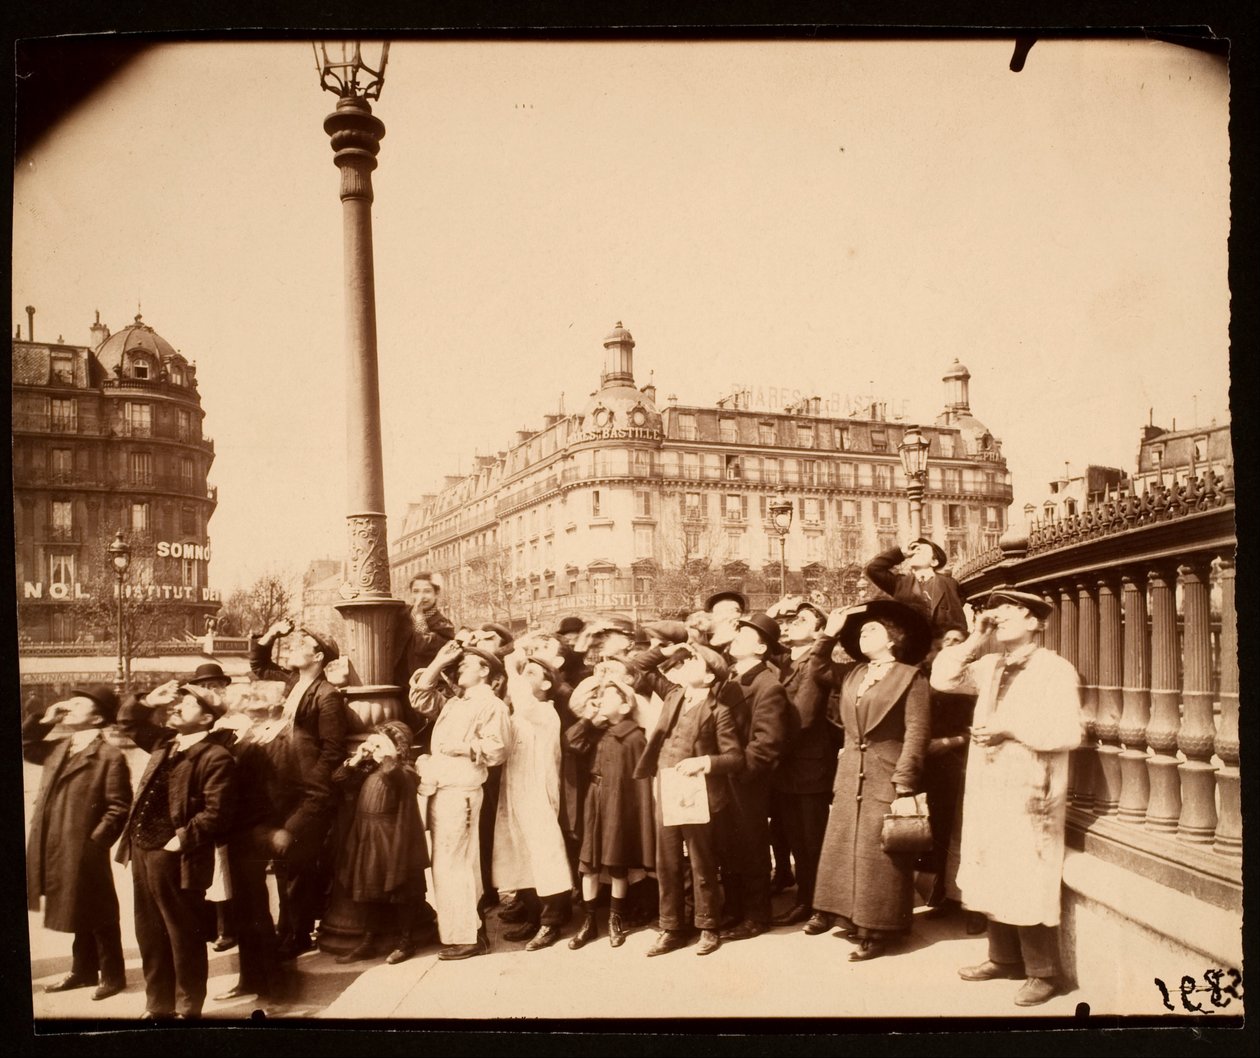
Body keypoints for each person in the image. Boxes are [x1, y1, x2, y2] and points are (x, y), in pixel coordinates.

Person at [931, 587, 1083, 1007]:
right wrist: (975, 637)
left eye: (1011, 611)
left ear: (1036, 622)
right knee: (989, 864)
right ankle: (1002, 957)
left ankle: (1043, 972)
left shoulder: (1055, 670)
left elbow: (1070, 733)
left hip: (1031, 788)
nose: (999, 616)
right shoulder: (991, 664)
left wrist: (1011, 731)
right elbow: (942, 677)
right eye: (994, 611)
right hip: (990, 784)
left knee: (1026, 873)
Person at [812, 600, 932, 961]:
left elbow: (917, 732)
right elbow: (817, 670)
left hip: (887, 773)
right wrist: (828, 635)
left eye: (873, 630)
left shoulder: (911, 676)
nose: (864, 633)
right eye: (862, 630)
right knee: (849, 848)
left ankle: (880, 928)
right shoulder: (854, 674)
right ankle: (853, 917)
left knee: (881, 854)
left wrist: (905, 783)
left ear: (894, 639)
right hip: (850, 773)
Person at [116, 683, 235, 1019]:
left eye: (189, 703)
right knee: (149, 932)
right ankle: (158, 1006)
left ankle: (187, 1008)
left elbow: (217, 812)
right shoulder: (166, 742)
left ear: (207, 718)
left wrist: (179, 840)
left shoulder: (215, 756)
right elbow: (128, 724)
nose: (179, 706)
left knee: (183, 934)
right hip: (142, 850)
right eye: (180, 700)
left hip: (177, 856)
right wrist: (148, 701)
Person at [634, 643, 744, 957]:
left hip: (699, 793)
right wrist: (664, 649)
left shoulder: (718, 711)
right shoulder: (673, 694)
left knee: (702, 861)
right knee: (666, 861)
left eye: (695, 660)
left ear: (710, 677)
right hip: (666, 788)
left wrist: (704, 762)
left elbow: (735, 757)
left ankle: (708, 926)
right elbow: (641, 666)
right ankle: (672, 928)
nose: (687, 662)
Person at [249, 618, 349, 959]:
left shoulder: (327, 695)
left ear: (318, 656)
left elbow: (333, 751)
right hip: (281, 787)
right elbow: (260, 666)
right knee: (284, 862)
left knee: (298, 864)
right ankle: (288, 929)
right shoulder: (292, 682)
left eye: (299, 644)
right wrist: (270, 634)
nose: (292, 647)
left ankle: (297, 933)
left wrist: (312, 790)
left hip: (308, 794)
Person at [25, 687, 132, 1002]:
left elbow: (120, 806)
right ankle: (83, 971)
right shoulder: (62, 746)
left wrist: (95, 842)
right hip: (57, 840)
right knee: (75, 901)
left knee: (98, 908)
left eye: (78, 703)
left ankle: (113, 975)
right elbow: (26, 745)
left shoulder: (109, 755)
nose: (68, 706)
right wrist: (45, 720)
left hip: (85, 844)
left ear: (97, 717)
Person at [411, 639, 511, 960]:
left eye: (466, 664)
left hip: (463, 791)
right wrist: (440, 660)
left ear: (485, 670)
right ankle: (464, 929)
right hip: (444, 789)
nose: (459, 669)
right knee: (449, 863)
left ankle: (468, 935)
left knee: (456, 864)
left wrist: (464, 747)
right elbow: (419, 697)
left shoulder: (491, 705)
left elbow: (498, 750)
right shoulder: (457, 702)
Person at [564, 673, 655, 949]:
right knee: (589, 864)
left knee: (617, 864)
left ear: (626, 706)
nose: (601, 699)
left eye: (608, 696)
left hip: (619, 804)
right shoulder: (595, 730)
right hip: (595, 799)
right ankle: (590, 921)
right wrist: (587, 719)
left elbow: (640, 784)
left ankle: (616, 918)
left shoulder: (634, 738)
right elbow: (570, 742)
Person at [492, 650, 573, 951]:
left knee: (543, 852)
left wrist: (512, 668)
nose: (524, 679)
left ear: (547, 685)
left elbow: (523, 700)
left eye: (531, 675)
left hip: (536, 790)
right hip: (515, 788)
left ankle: (552, 920)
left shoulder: (543, 711)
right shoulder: (519, 713)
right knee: (518, 850)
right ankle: (533, 914)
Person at [719, 613, 792, 942]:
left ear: (761, 648)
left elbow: (766, 743)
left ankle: (755, 915)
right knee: (729, 845)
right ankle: (733, 909)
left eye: (745, 635)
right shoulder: (730, 678)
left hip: (746, 780)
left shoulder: (768, 685)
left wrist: (741, 773)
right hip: (724, 776)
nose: (736, 638)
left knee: (751, 846)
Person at [332, 722, 430, 965]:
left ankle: (405, 941)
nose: (373, 748)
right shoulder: (370, 770)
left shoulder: (404, 771)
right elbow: (338, 779)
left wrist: (387, 754)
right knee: (368, 889)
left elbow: (395, 776)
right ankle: (368, 941)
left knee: (399, 890)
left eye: (379, 743)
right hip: (366, 835)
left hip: (391, 838)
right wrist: (357, 759)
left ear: (397, 748)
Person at [768, 599, 841, 927]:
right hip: (788, 764)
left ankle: (819, 906)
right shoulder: (786, 659)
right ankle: (807, 899)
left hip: (808, 764)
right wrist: (769, 615)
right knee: (796, 836)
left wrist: (768, 747)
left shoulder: (814, 659)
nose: (791, 624)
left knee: (811, 839)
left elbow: (804, 717)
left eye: (801, 619)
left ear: (818, 631)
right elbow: (757, 644)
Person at [865, 538, 967, 642]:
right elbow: (873, 569)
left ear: (934, 562)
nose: (915, 552)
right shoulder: (900, 583)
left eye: (921, 550)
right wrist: (901, 553)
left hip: (940, 647)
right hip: (911, 646)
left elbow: (958, 618)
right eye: (914, 550)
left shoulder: (949, 583)